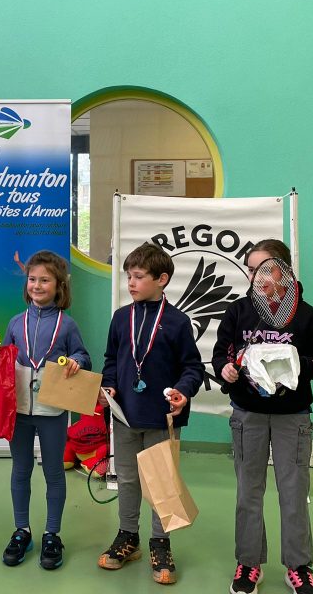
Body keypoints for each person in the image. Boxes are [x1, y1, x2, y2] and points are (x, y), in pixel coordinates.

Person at [211, 239, 313, 594]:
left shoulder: (305, 314)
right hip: (247, 415)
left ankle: (298, 566)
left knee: (293, 491)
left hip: (292, 417)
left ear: (282, 272)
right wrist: (227, 370)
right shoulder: (238, 311)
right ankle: (249, 563)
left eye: (263, 269)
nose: (255, 276)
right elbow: (221, 355)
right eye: (251, 269)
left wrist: (296, 364)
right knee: (248, 492)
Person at [99, 242, 204, 586]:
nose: (131, 282)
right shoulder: (120, 318)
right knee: (127, 479)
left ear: (162, 279)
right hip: (124, 416)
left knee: (161, 483)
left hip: (161, 418)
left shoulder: (177, 322)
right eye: (129, 276)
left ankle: (161, 543)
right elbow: (111, 360)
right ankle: (128, 536)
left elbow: (192, 367)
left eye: (139, 276)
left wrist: (183, 390)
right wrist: (110, 385)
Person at [0, 251, 90, 571]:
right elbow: (5, 358)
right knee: (21, 469)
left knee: (53, 472)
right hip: (18, 409)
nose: (37, 285)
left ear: (58, 285)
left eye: (45, 280)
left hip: (52, 409)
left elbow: (83, 355)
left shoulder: (67, 324)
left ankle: (52, 534)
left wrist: (77, 362)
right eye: (32, 279)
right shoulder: (16, 322)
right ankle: (22, 531)